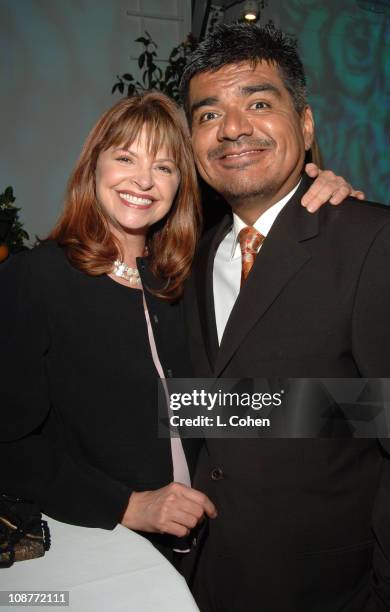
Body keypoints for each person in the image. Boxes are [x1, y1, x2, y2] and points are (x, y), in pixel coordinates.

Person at [180, 23, 390, 611]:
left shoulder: (375, 241)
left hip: (335, 589)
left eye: (258, 103)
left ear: (305, 126)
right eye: (209, 115)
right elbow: (211, 403)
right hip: (210, 571)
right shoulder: (192, 255)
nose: (233, 128)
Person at [0, 92, 218, 564]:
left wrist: (370, 411)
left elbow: (209, 407)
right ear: (93, 166)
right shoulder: (37, 277)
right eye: (125, 157)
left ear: (180, 184)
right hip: (106, 548)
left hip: (208, 545)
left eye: (164, 166)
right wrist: (128, 505)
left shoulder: (184, 278)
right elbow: (8, 442)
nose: (144, 179)